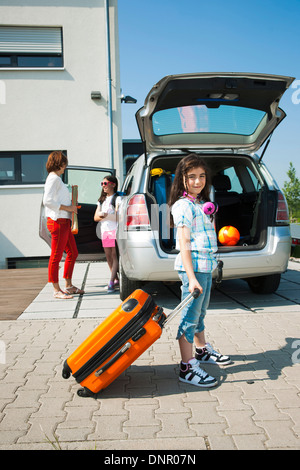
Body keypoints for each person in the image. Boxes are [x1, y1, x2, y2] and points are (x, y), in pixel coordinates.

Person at [168, 153, 231, 388]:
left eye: (202, 176)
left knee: (200, 313)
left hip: (205, 267)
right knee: (189, 317)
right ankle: (187, 366)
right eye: (191, 176)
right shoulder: (183, 206)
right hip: (193, 269)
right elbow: (184, 244)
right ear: (182, 179)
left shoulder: (199, 204)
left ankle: (202, 350)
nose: (197, 181)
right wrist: (192, 278)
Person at [43, 151, 84, 299]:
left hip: (63, 221)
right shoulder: (53, 179)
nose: (65, 167)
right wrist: (69, 208)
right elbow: (47, 201)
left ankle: (68, 285)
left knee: (73, 252)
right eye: (64, 164)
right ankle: (56, 290)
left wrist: (71, 206)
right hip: (58, 221)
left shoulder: (56, 179)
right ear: (60, 164)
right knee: (56, 255)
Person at [94, 175, 121, 293]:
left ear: (113, 184)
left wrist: (105, 215)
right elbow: (95, 217)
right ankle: (115, 279)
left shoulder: (118, 199)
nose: (103, 186)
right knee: (109, 257)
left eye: (105, 183)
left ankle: (111, 282)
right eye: (102, 183)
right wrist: (102, 216)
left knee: (115, 256)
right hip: (105, 231)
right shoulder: (101, 200)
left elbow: (119, 217)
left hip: (114, 231)